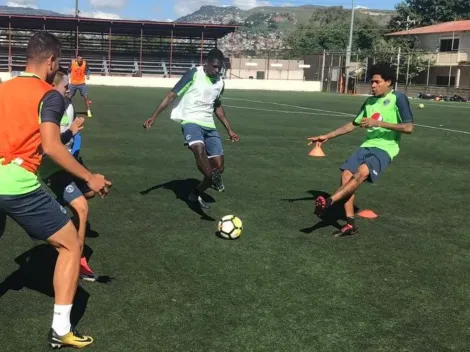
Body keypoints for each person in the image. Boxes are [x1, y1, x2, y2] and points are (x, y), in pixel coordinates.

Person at [0, 31, 111, 348]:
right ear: (50, 61)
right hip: (17, 183)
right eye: (58, 62)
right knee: (70, 247)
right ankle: (61, 330)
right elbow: (51, 145)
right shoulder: (48, 94)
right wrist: (89, 177)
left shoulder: (3, 89)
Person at [308, 63, 414, 237]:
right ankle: (350, 225)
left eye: (377, 82)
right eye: (372, 82)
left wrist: (378, 123)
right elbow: (353, 124)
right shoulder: (369, 101)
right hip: (367, 145)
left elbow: (409, 128)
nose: (372, 85)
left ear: (388, 82)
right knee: (346, 175)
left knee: (360, 174)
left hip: (385, 148)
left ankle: (329, 202)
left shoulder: (399, 98)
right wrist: (327, 136)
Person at [143, 48, 239, 209]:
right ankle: (212, 180)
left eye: (219, 67)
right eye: (214, 66)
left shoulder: (220, 83)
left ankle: (197, 191)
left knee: (219, 168)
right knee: (198, 149)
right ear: (206, 63)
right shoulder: (194, 74)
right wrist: (154, 116)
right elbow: (171, 95)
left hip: (209, 125)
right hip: (191, 121)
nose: (217, 70)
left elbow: (218, 107)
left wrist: (229, 129)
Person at [39, 70, 98, 282]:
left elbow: (72, 140)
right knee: (82, 208)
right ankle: (79, 260)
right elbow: (48, 147)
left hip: (68, 163)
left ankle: (56, 206)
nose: (68, 91)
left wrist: (76, 154)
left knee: (93, 190)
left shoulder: (68, 105)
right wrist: (70, 132)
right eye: (65, 87)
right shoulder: (46, 108)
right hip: (51, 168)